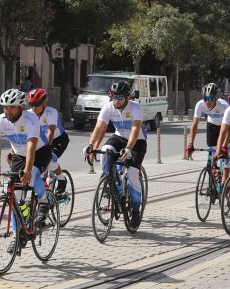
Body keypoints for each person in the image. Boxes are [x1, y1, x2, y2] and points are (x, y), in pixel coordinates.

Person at [0, 89, 48, 221]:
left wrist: (27, 170)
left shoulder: (31, 119)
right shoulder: (0, 120)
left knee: (32, 174)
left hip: (40, 152)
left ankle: (44, 201)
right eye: (5, 107)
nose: (8, 111)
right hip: (20, 154)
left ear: (21, 107)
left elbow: (31, 146)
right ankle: (20, 233)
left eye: (12, 107)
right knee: (16, 197)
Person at [83, 80, 145, 218]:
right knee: (105, 151)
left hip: (137, 141)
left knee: (132, 175)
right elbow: (99, 127)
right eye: (113, 97)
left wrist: (129, 148)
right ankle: (110, 182)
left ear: (128, 98)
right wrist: (91, 146)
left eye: (120, 98)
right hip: (119, 137)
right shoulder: (108, 107)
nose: (116, 101)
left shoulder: (136, 108)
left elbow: (135, 129)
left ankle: (135, 211)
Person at [27, 88, 69, 194]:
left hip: (58, 139)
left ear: (44, 103)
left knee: (51, 159)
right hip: (41, 141)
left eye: (36, 104)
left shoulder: (51, 112)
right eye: (31, 104)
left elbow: (51, 132)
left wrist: (47, 152)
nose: (33, 107)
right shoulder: (29, 114)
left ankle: (61, 180)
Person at [187, 83, 227, 158]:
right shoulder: (200, 105)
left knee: (225, 155)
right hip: (211, 124)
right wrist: (191, 143)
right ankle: (210, 167)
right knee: (211, 151)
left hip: (224, 126)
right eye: (206, 99)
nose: (208, 102)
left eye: (211, 99)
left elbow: (229, 126)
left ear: (216, 99)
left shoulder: (224, 105)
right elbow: (194, 125)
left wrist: (224, 145)